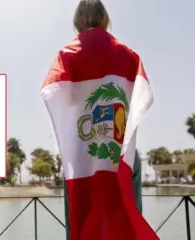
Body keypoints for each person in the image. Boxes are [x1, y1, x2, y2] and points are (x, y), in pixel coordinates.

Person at [41, 0, 158, 239]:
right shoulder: (127, 54)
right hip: (121, 150)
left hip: (81, 154)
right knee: (126, 210)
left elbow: (51, 92)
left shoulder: (66, 56)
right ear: (105, 19)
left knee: (79, 211)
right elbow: (143, 93)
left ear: (77, 22)